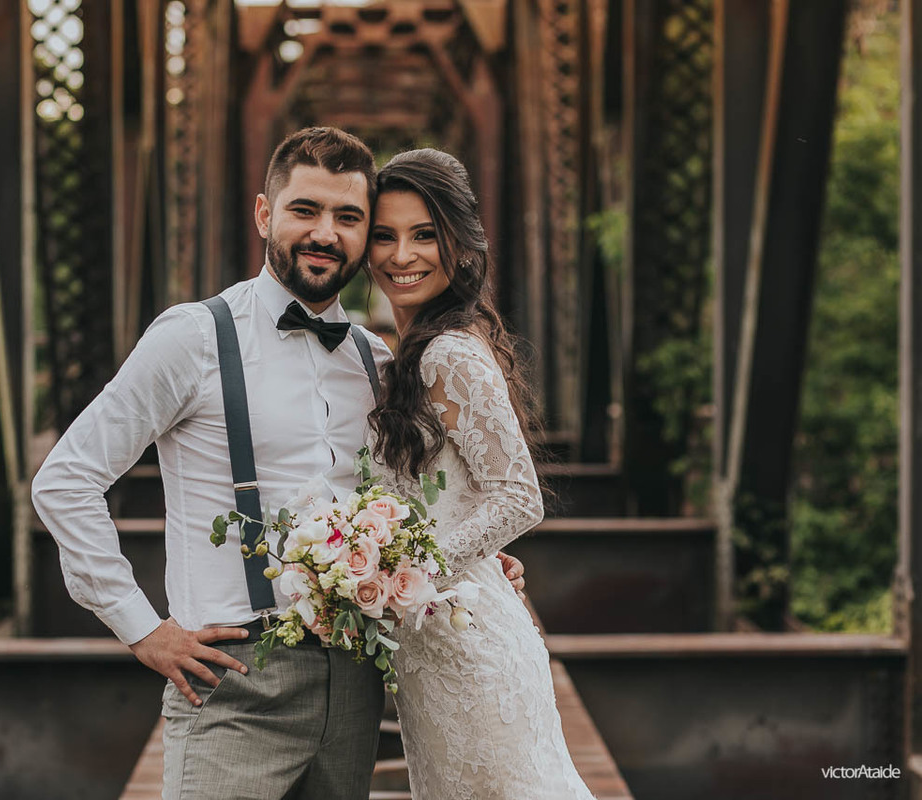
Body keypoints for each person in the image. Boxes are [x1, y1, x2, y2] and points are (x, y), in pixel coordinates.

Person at [32, 128, 525, 800]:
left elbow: (410, 497)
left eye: (349, 218)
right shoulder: (194, 337)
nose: (326, 233)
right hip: (233, 683)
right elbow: (66, 480)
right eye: (305, 211)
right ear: (265, 214)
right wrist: (141, 627)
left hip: (355, 679)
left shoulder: (377, 364)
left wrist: (466, 557)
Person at [365, 148, 596, 799]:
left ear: (460, 247)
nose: (401, 255)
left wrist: (411, 572)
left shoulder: (446, 354)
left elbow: (519, 496)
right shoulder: (407, 358)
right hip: (435, 646)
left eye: (424, 235)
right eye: (384, 235)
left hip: (469, 651)